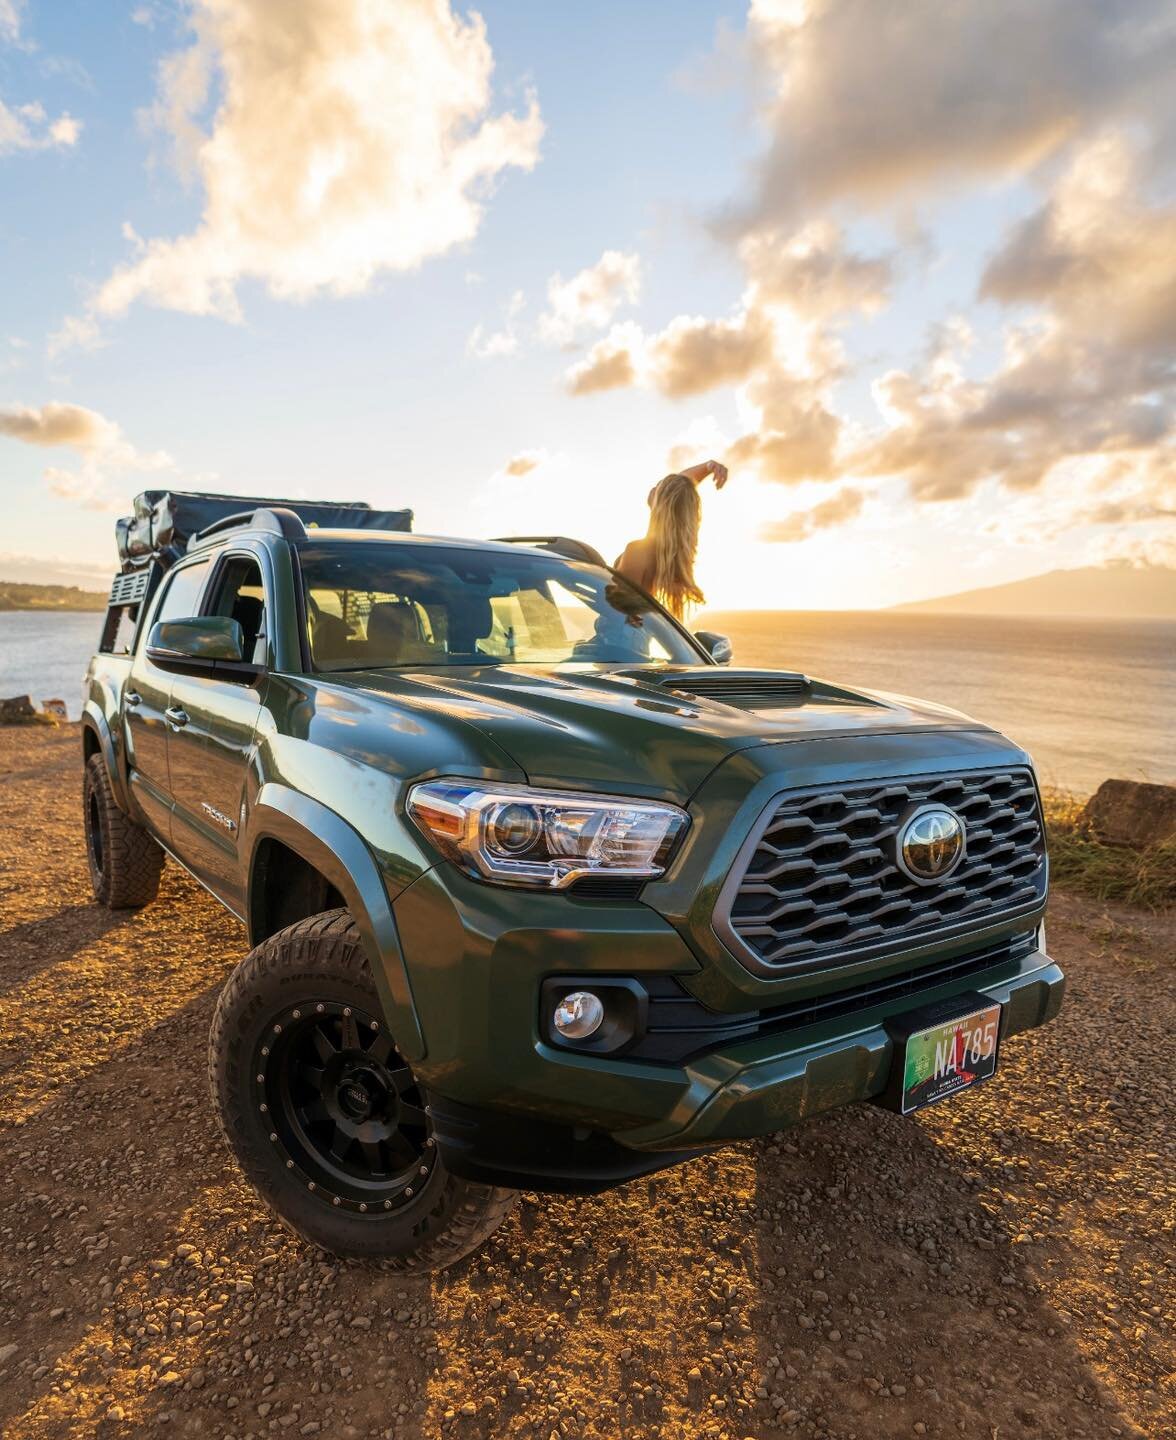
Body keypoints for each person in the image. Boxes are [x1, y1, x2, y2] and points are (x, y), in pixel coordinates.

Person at [614, 459, 728, 619]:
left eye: (659, 485)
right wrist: (708, 466)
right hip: (635, 642)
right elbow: (680, 488)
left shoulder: (638, 551)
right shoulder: (667, 555)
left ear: (662, 502)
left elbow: (615, 614)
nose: (653, 487)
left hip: (613, 640)